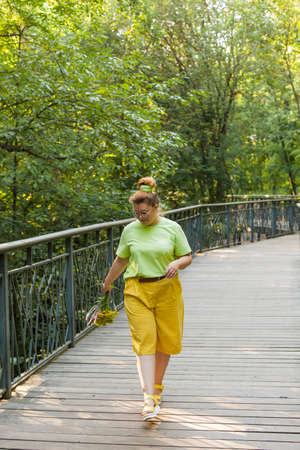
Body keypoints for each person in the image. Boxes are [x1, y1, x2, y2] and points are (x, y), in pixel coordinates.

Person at [103, 176, 192, 420]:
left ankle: (157, 388)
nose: (139, 217)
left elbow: (187, 256)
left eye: (143, 212)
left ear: (155, 207)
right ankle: (149, 397)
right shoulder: (130, 230)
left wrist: (176, 262)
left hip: (167, 291)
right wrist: (108, 281)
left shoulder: (172, 228)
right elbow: (122, 259)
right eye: (135, 213)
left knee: (165, 342)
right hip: (137, 290)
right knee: (145, 342)